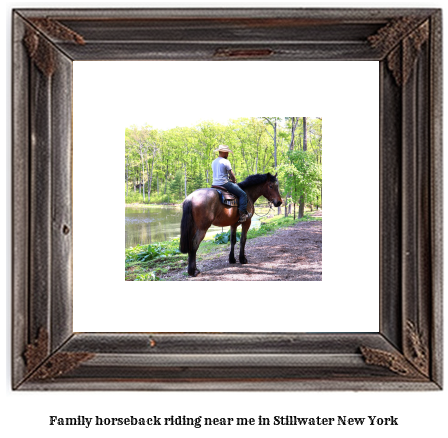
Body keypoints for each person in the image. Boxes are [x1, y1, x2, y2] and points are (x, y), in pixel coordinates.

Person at [212, 145, 250, 222]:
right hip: (224, 183)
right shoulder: (226, 161)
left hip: (214, 184)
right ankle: (242, 214)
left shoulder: (214, 161)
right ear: (224, 152)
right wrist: (234, 180)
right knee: (243, 194)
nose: (228, 155)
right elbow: (231, 175)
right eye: (227, 153)